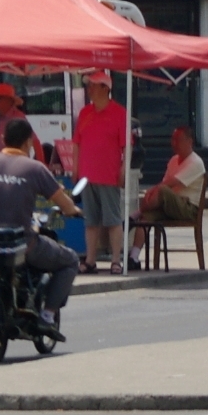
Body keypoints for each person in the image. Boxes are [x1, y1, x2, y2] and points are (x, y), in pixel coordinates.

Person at [0, 118, 75, 335]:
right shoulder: (34, 168)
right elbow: (63, 202)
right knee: (70, 260)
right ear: (28, 142)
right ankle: (47, 316)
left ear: (3, 140)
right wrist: (73, 211)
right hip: (21, 243)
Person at [70, 73, 127, 273]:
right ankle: (91, 259)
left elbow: (126, 146)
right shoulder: (85, 113)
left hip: (108, 173)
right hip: (87, 174)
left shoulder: (120, 113)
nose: (89, 89)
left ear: (105, 88)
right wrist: (75, 168)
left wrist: (123, 170)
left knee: (113, 219)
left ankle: (116, 260)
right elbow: (77, 143)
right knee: (91, 221)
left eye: (93, 86)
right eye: (89, 86)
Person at [134, 127, 208, 227]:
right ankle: (136, 241)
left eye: (178, 140)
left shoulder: (196, 162)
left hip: (188, 208)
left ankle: (137, 212)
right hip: (170, 204)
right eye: (173, 140)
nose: (174, 143)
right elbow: (164, 182)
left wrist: (152, 190)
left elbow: (170, 183)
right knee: (146, 217)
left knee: (162, 189)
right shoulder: (173, 160)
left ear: (189, 142)